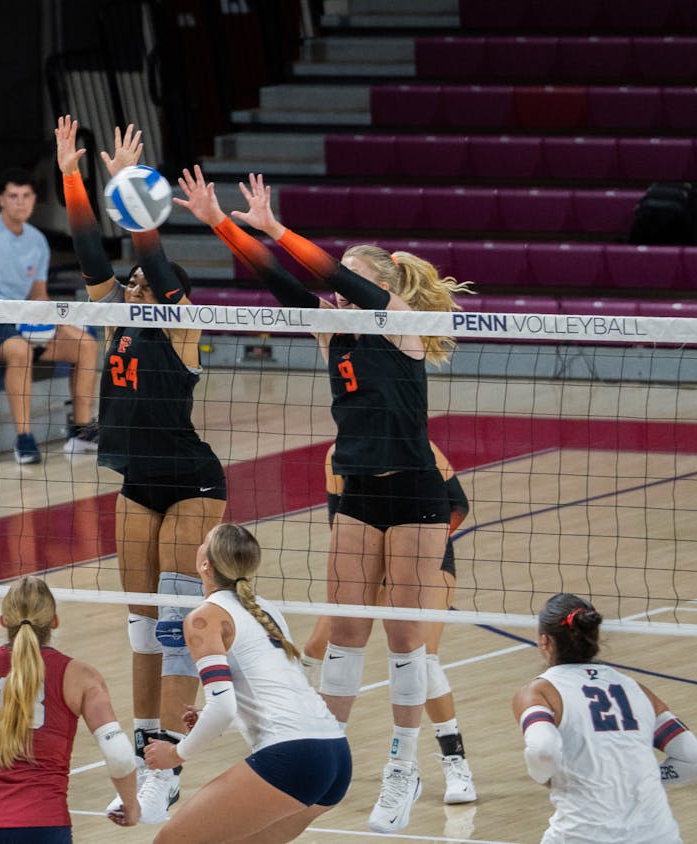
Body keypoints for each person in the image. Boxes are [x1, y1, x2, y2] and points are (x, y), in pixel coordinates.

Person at [178, 169, 471, 833]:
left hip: (417, 494)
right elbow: (279, 280)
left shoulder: (401, 324)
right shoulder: (331, 333)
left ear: (379, 288)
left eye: (347, 277)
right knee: (343, 632)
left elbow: (342, 283)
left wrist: (278, 227)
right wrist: (221, 221)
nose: (333, 287)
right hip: (359, 493)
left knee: (405, 641)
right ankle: (326, 753)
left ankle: (403, 765)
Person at [55, 116, 227, 824]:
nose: (127, 287)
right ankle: (148, 748)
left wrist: (136, 194)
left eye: (140, 283)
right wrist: (75, 174)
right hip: (136, 480)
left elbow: (152, 265)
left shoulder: (181, 326)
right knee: (139, 626)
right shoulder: (115, 317)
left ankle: (173, 763)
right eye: (123, 285)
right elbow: (91, 248)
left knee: (177, 625)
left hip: (191, 480)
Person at [142, 523, 350, 843]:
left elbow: (221, 707)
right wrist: (230, 715)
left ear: (205, 564)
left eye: (204, 541)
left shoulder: (204, 617)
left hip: (293, 757)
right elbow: (268, 690)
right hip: (335, 754)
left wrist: (177, 754)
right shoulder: (266, 609)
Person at [301, 440, 477, 805]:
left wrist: (412, 556)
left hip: (423, 556)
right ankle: (293, 727)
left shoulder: (419, 444)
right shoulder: (337, 454)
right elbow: (339, 517)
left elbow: (458, 505)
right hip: (369, 555)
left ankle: (454, 762)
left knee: (423, 657)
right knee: (319, 643)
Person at [0, 576, 141, 842]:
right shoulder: (81, 677)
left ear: (3, 622)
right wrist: (132, 806)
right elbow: (120, 756)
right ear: (55, 621)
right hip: (42, 823)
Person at [512, 593, 697, 843]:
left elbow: (544, 751)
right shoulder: (636, 689)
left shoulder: (539, 692)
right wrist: (634, 777)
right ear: (594, 635)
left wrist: (543, 775)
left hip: (583, 836)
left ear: (545, 642)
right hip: (660, 836)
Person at [0, 168, 100, 465]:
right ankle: (24, 439)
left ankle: (81, 432)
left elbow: (38, 294)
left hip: (18, 320)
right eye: (13, 196)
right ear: (1, 200)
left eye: (26, 196)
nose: (20, 202)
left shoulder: (37, 241)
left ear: (34, 200)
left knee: (85, 343)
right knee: (20, 350)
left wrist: (56, 321)